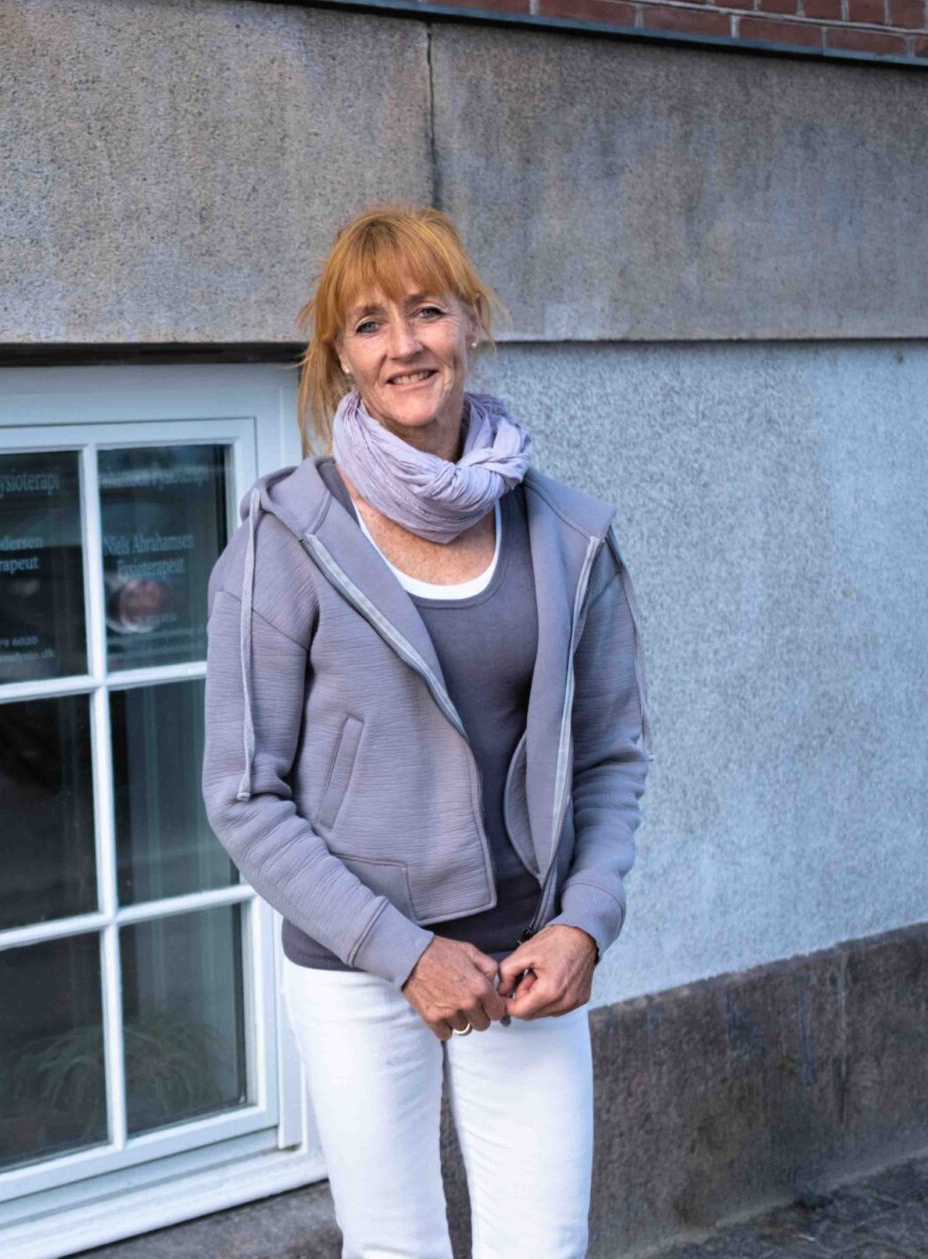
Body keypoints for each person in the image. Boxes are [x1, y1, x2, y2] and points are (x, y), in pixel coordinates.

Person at [200, 204, 652, 1258]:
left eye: (424, 311)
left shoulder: (566, 533)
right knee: (393, 1246)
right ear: (338, 361)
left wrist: (583, 921)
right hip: (357, 964)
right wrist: (404, 955)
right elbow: (241, 792)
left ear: (469, 324)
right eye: (366, 324)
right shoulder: (286, 536)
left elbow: (610, 758)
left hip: (524, 957)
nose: (402, 343)